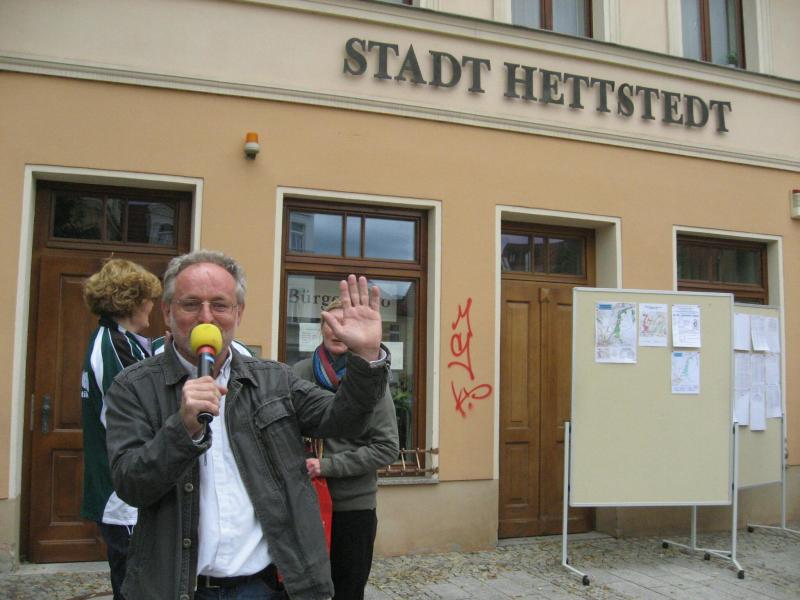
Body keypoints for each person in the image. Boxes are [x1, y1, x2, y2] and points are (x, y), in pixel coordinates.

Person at [103, 250, 389, 600]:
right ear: (166, 312)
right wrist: (183, 429)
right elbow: (130, 484)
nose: (206, 317)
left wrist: (366, 357)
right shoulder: (133, 386)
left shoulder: (274, 379)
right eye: (190, 304)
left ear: (238, 313)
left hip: (266, 586)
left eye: (220, 305)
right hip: (181, 588)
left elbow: (344, 419)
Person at [293, 298, 399, 600]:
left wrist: (327, 466)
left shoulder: (370, 378)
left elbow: (387, 447)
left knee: (347, 592)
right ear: (322, 327)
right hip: (304, 505)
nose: (338, 330)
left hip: (352, 509)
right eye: (332, 323)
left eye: (346, 324)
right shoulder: (298, 372)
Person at [80, 258, 163, 600]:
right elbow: (146, 412)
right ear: (132, 301)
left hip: (120, 492)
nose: (153, 306)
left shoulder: (114, 340)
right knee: (137, 586)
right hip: (124, 496)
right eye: (149, 298)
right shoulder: (116, 348)